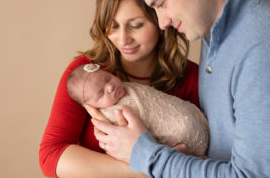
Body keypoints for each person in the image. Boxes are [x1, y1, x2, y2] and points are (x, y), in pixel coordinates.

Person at [90, 0, 270, 177]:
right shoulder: (214, 34)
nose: (162, 22)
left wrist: (142, 153)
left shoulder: (260, 43)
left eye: (161, 3)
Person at [39, 0, 200, 178]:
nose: (123, 39)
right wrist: (150, 167)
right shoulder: (85, 75)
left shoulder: (190, 78)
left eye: (136, 25)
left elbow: (209, 159)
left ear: (159, 19)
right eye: (113, 26)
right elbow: (51, 155)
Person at [67, 63, 209, 156]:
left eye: (107, 78)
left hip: (195, 118)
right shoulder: (110, 116)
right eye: (100, 93)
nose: (110, 87)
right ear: (91, 106)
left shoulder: (125, 86)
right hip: (180, 147)